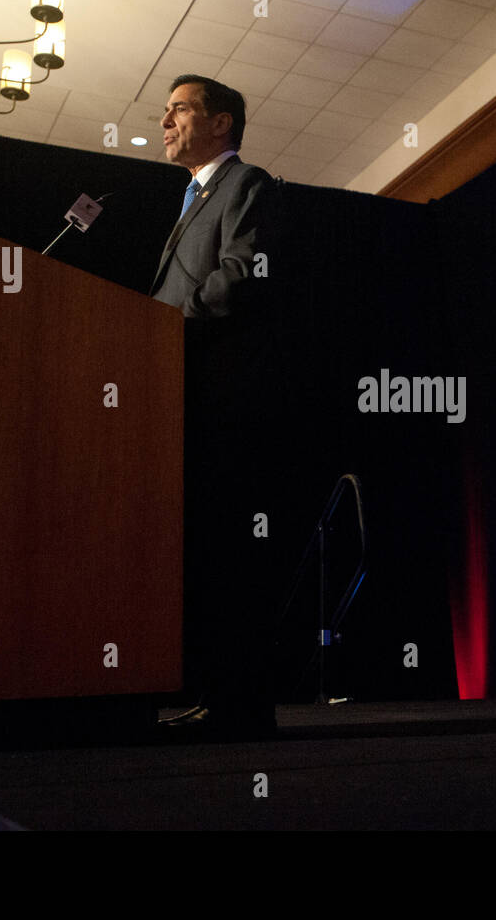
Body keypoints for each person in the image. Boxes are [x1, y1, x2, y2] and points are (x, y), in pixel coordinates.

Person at [151, 74, 280, 738]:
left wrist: (161, 328)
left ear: (221, 122)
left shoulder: (246, 182)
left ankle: (239, 708)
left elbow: (242, 274)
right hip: (185, 404)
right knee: (198, 554)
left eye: (178, 109)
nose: (164, 120)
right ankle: (211, 697)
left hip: (225, 408)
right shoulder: (189, 198)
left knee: (228, 554)